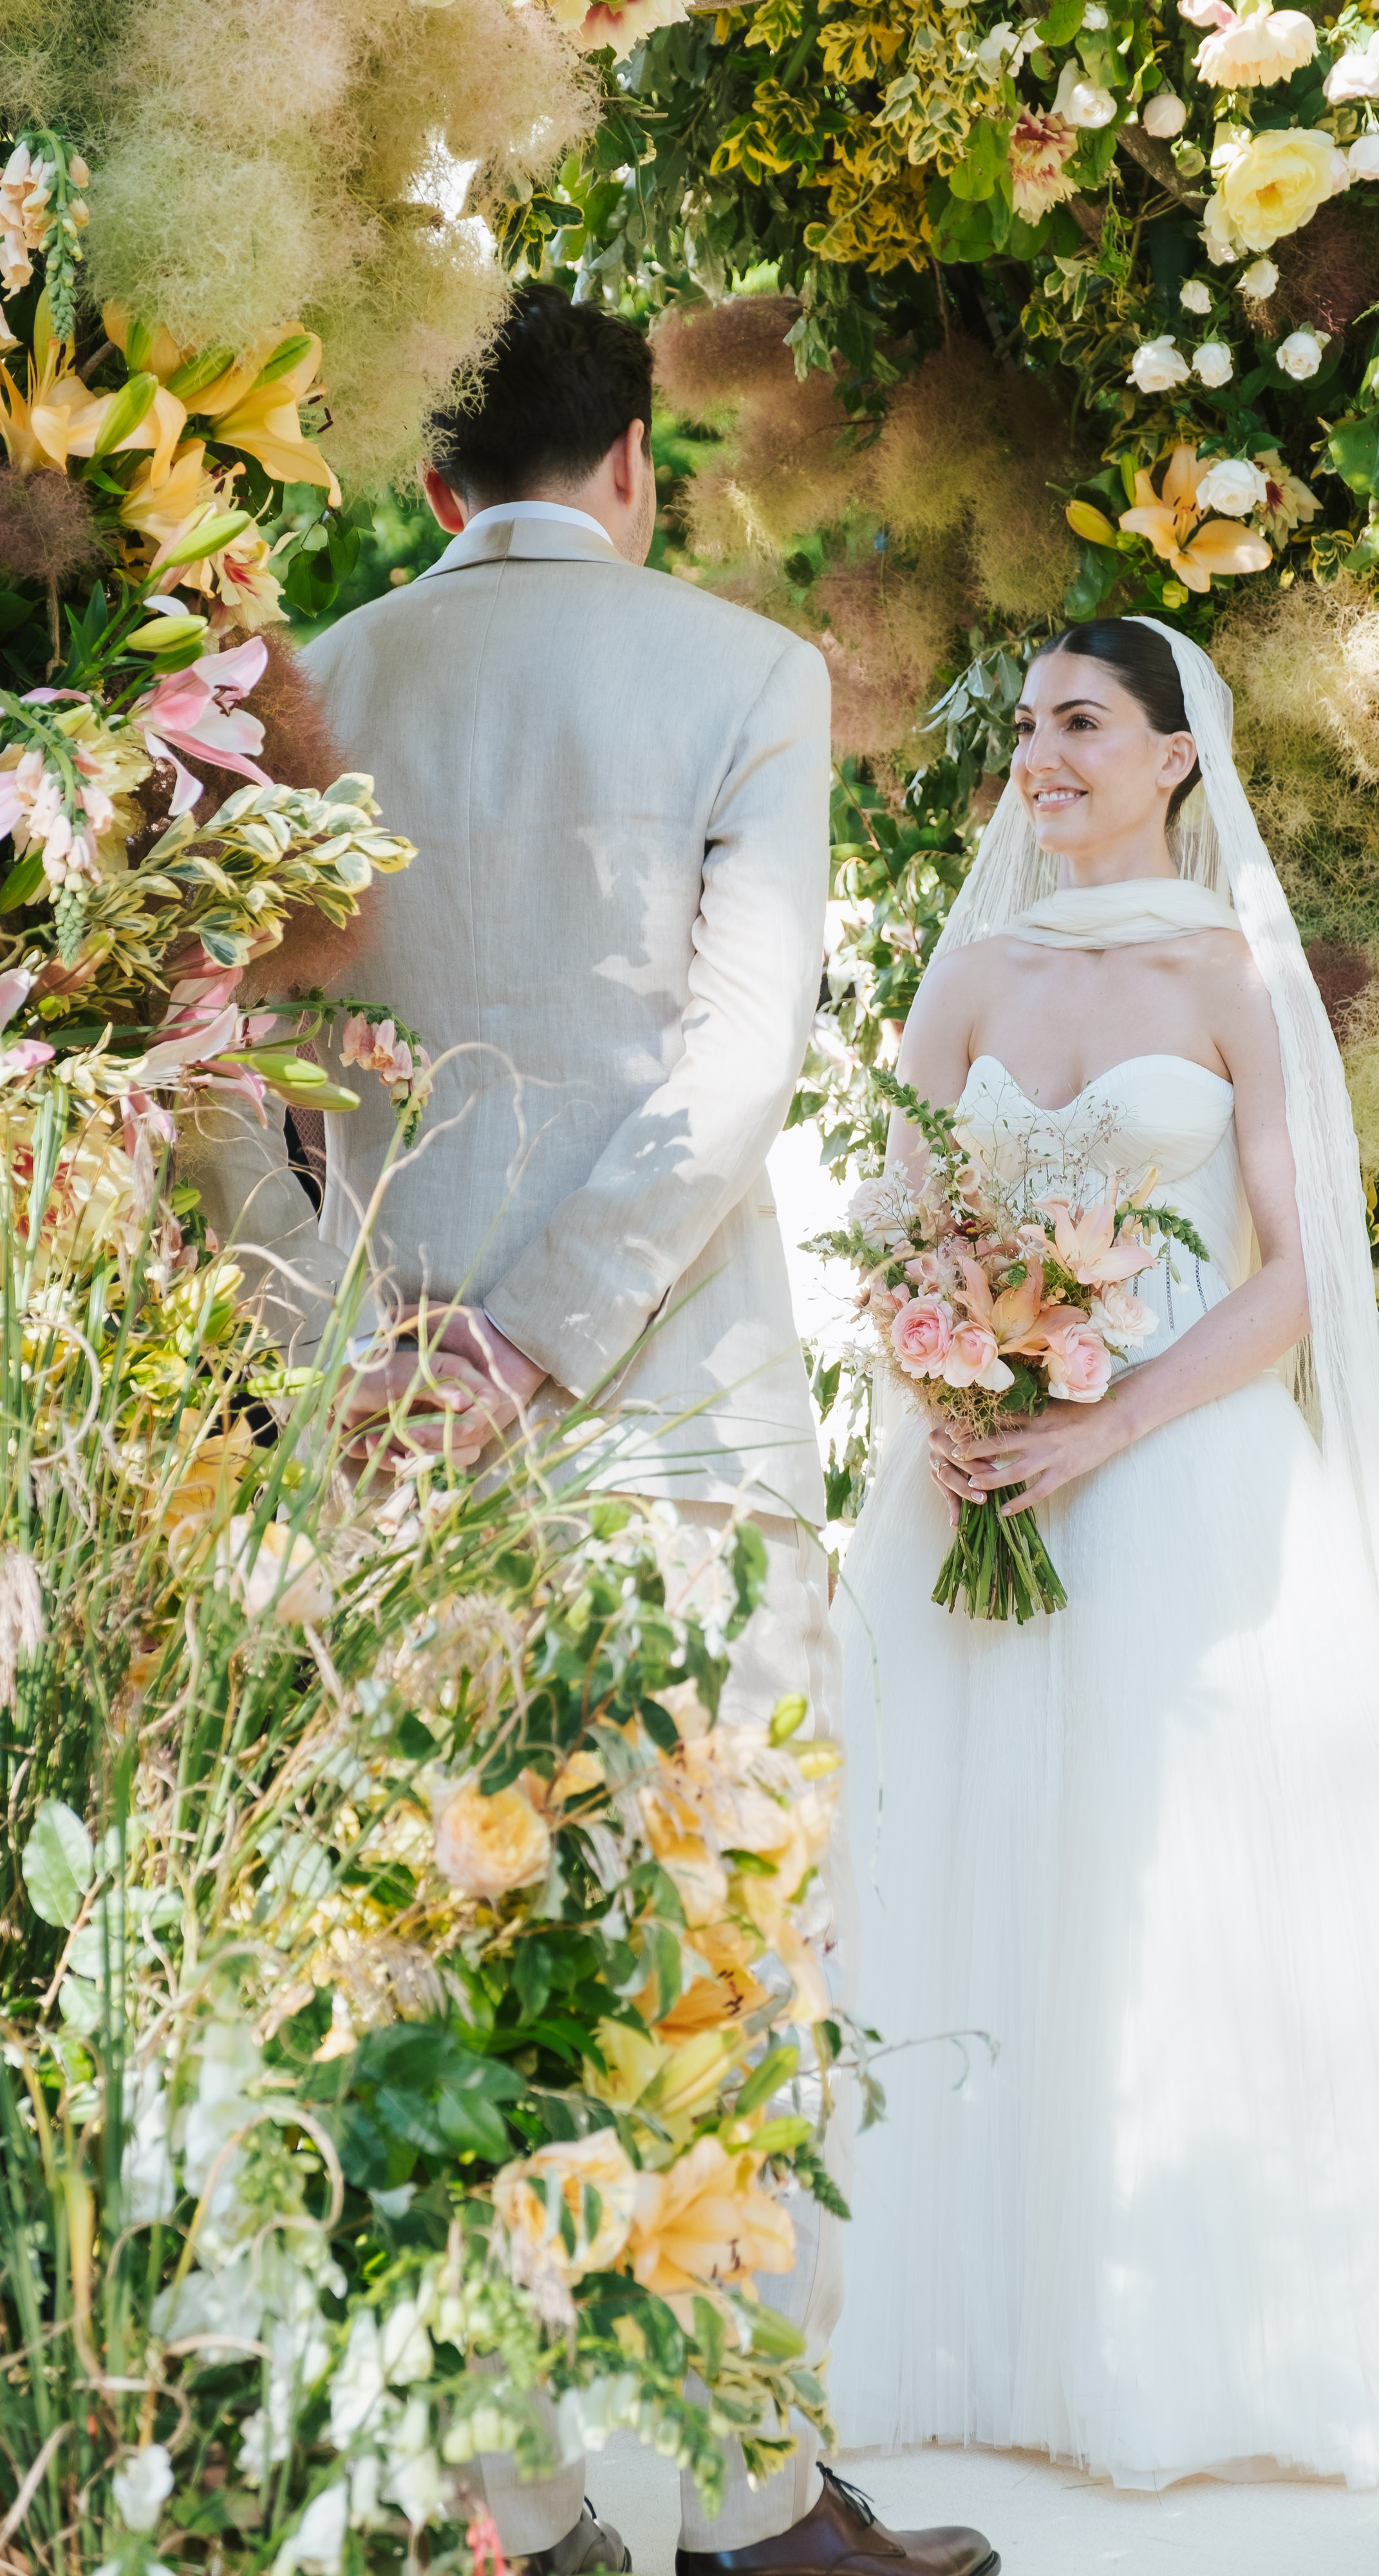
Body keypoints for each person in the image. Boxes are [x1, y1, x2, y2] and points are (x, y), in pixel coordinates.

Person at [178, 287, 997, 2576]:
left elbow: (211, 1057)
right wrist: (534, 1345)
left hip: (384, 1460)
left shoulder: (312, 685)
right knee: (723, 1941)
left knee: (431, 1943)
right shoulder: (739, 672)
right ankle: (758, 2508)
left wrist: (355, 1356)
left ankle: (505, 2511)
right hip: (670, 1429)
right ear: (634, 458)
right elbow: (735, 1065)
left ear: (435, 481)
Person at [827, 618, 1379, 2492]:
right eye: (1027, 725)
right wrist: (942, 1374)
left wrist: (1107, 1420)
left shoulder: (1237, 975)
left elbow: (1303, 1278)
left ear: (1176, 756)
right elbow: (898, 1220)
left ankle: (1172, 2343)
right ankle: (964, 2317)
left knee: (1162, 1886)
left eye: (1083, 723)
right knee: (962, 1860)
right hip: (979, 1475)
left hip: (1179, 1476)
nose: (1043, 756)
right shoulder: (971, 975)